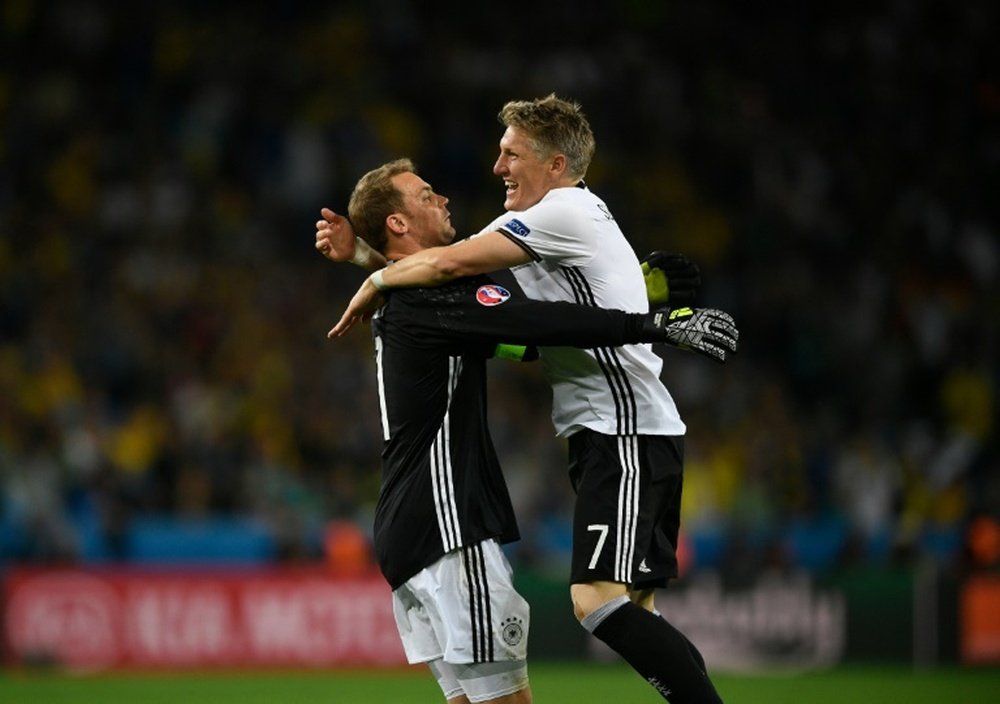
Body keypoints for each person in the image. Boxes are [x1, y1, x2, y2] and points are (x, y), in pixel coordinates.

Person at [324, 95, 730, 703]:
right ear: (401, 224)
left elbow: (495, 307)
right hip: (452, 518)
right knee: (626, 613)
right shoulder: (439, 299)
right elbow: (518, 323)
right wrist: (649, 318)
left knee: (600, 606)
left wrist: (372, 269)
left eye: (511, 153)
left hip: (614, 433)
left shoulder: (557, 215)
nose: (494, 169)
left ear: (556, 164)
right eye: (426, 194)